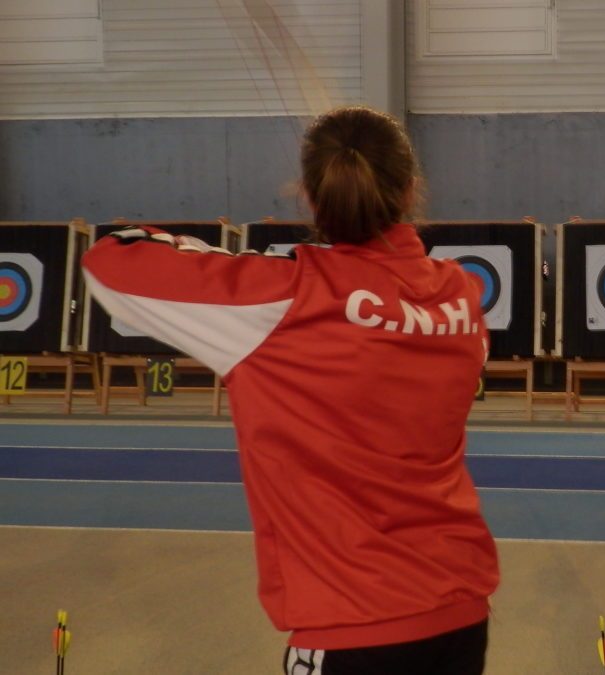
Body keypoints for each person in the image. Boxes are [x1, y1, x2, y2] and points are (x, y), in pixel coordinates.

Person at [82, 106, 500, 675]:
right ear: (411, 191)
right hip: (459, 620)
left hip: (350, 629)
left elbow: (111, 260)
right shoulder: (461, 297)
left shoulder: (280, 300)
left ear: (308, 197)